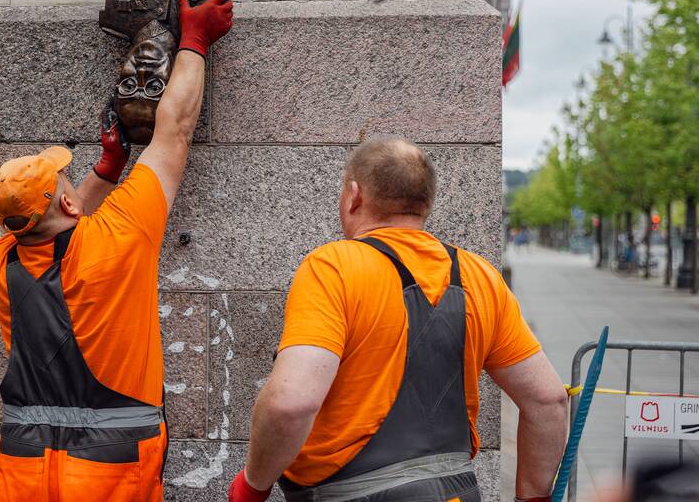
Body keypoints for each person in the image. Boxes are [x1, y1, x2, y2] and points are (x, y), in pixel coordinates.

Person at [0, 0, 234, 502]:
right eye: (67, 181)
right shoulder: (121, 236)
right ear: (70, 205)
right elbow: (174, 133)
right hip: (111, 474)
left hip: (22, 476)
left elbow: (57, 229)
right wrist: (195, 39)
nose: (75, 185)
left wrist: (105, 170)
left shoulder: (0, 265)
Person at [229, 137, 568, 502]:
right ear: (424, 203)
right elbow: (548, 400)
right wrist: (533, 497)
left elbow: (289, 403)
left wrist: (251, 487)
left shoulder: (333, 267)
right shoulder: (480, 276)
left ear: (354, 195)